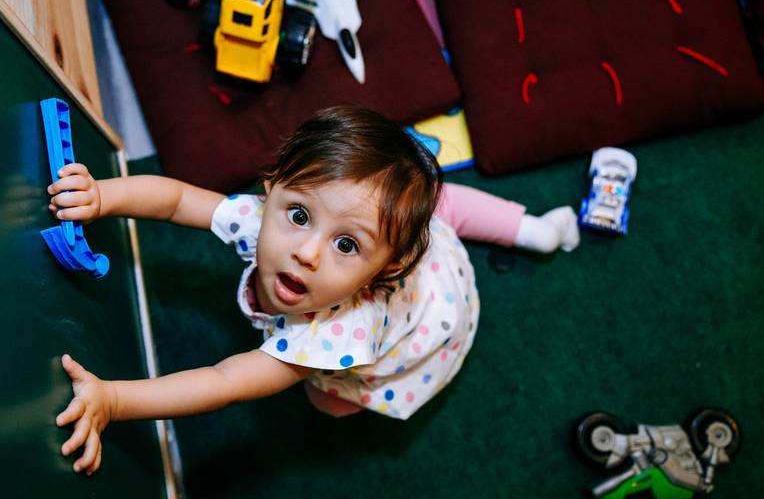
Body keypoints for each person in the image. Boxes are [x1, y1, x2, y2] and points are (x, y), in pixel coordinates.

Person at [50, 106, 579, 475]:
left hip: (434, 333)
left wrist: (115, 399)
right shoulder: (267, 219)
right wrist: (102, 195)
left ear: (383, 270)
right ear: (273, 185)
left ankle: (534, 230)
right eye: (300, 215)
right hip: (435, 258)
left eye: (347, 245)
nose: (308, 252)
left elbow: (223, 381)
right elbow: (177, 201)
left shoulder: (328, 340)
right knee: (442, 209)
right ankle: (533, 230)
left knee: (327, 400)